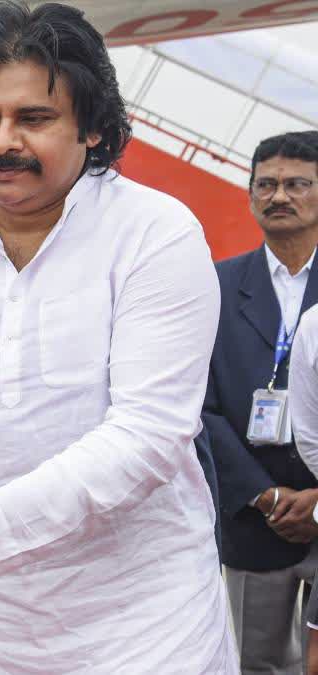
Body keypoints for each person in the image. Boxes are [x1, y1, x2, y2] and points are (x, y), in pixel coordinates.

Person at [0, 2, 235, 671]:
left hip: (141, 624)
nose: (2, 141)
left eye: (33, 118)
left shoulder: (154, 234)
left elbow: (146, 437)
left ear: (93, 126)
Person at [205, 131, 318, 675]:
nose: (280, 196)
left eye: (297, 184)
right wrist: (264, 494)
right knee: (256, 663)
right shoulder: (217, 286)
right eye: (266, 184)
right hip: (255, 517)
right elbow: (197, 405)